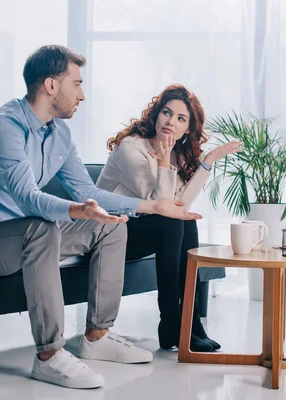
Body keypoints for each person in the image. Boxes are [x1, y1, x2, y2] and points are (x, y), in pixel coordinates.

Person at [0, 45, 202, 389]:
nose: (82, 95)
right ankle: (49, 355)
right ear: (51, 85)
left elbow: (86, 191)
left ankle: (97, 336)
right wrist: (72, 210)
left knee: (110, 224)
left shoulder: (59, 133)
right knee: (41, 227)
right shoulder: (3, 127)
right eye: (76, 84)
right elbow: (27, 197)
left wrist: (152, 207)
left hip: (24, 235)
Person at [97, 84, 241, 353]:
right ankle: (172, 323)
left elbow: (181, 205)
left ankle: (191, 323)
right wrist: (163, 164)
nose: (170, 121)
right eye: (166, 112)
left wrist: (208, 161)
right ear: (156, 115)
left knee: (185, 220)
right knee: (174, 221)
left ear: (187, 129)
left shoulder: (174, 152)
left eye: (180, 118)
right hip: (108, 233)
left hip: (140, 229)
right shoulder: (132, 148)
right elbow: (162, 206)